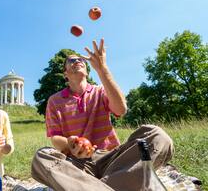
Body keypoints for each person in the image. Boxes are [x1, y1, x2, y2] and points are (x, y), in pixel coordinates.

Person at [31, 39, 174, 191]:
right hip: (77, 165)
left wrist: (102, 69)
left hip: (113, 160)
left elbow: (121, 109)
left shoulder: (100, 91)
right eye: (72, 60)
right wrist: (69, 144)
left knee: (158, 135)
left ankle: (92, 187)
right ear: (65, 73)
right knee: (42, 156)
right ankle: (121, 183)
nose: (78, 61)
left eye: (81, 60)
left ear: (86, 71)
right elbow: (55, 138)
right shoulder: (54, 101)